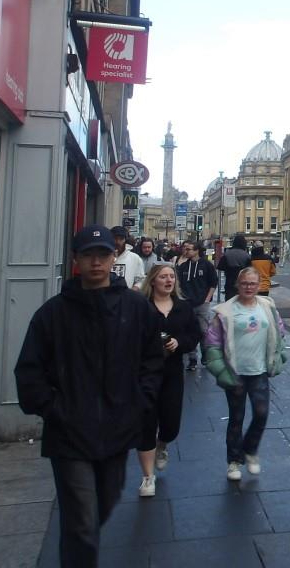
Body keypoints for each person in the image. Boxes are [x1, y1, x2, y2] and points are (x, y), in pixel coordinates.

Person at [15, 225, 163, 566]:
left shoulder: (135, 309)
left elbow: (152, 361)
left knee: (106, 501)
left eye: (103, 255)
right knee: (81, 518)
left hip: (117, 426)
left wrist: (140, 401)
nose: (96, 262)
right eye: (88, 255)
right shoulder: (53, 313)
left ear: (114, 258)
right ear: (75, 260)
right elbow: (29, 369)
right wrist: (53, 408)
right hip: (69, 431)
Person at [205, 267, 287, 482]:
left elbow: (279, 332)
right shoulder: (225, 311)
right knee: (236, 417)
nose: (249, 287)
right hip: (235, 373)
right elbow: (212, 343)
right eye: (244, 283)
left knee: (261, 413)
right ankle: (233, 461)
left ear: (259, 285)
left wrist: (280, 356)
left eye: (252, 283)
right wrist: (221, 371)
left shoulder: (268, 307)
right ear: (237, 285)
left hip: (259, 370)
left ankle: (250, 449)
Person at [136, 265, 200, 497]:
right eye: (163, 276)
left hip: (172, 372)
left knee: (171, 423)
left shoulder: (183, 307)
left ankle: (163, 444)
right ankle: (147, 477)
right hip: (144, 373)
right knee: (145, 422)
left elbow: (195, 335)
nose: (168, 280)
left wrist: (179, 343)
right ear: (152, 281)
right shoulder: (141, 307)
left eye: (171, 276)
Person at [178, 240, 219, 369]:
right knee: (189, 331)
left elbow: (213, 283)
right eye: (185, 249)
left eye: (189, 249)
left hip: (202, 303)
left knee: (203, 330)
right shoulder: (184, 266)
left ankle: (205, 356)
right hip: (187, 303)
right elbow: (178, 284)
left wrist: (207, 299)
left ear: (196, 250)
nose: (186, 251)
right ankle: (192, 359)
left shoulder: (206, 265)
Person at [217, 235, 252, 300]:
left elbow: (220, 266)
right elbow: (250, 269)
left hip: (229, 283)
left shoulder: (227, 254)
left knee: (229, 303)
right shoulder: (246, 255)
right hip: (243, 284)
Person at [111, 226, 145, 290]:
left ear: (125, 240)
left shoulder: (135, 258)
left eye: (121, 239)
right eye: (115, 238)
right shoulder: (104, 258)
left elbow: (141, 280)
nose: (118, 242)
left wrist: (133, 290)